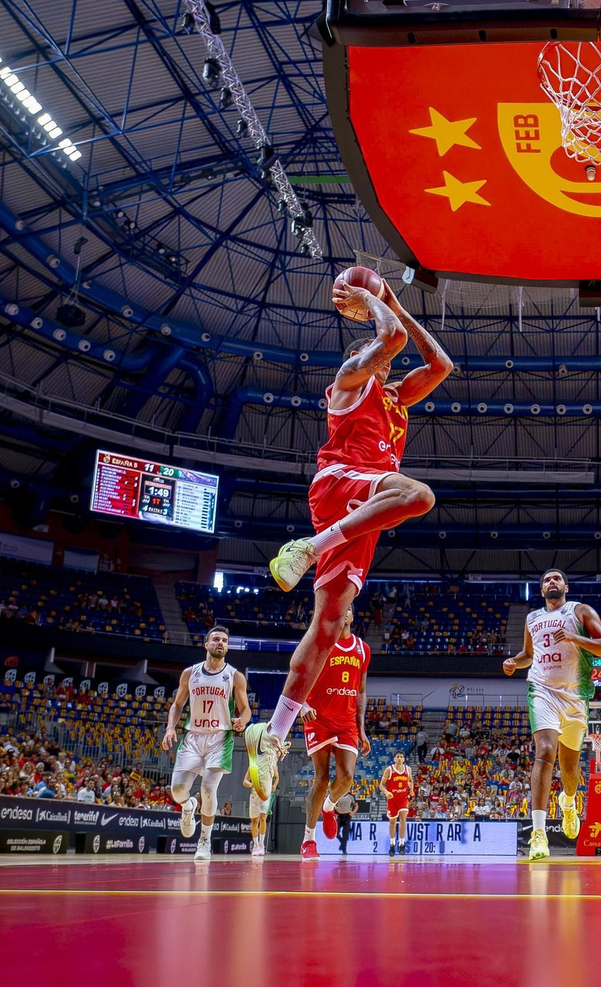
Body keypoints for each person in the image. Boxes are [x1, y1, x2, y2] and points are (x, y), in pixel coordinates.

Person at [255, 275, 453, 776]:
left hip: (364, 506)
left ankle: (273, 739)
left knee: (325, 626)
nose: (387, 360)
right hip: (342, 482)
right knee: (418, 495)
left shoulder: (396, 399)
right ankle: (308, 546)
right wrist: (371, 301)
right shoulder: (348, 381)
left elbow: (441, 364)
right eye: (377, 353)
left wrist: (395, 302)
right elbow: (393, 340)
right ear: (362, 354)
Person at [501, 568, 601, 860]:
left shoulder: (580, 611)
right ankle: (538, 835)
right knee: (545, 751)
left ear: (565, 586)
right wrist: (515, 661)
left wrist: (575, 639)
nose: (551, 582)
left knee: (569, 769)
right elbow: (530, 654)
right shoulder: (532, 618)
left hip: (575, 695)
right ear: (541, 590)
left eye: (556, 579)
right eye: (546, 580)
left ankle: (568, 802)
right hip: (542, 690)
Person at [160, 626, 250, 864]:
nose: (220, 643)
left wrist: (242, 721)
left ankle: (204, 841)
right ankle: (188, 806)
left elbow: (246, 709)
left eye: (224, 640)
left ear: (228, 646)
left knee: (209, 789)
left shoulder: (235, 676)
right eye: (216, 639)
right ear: (206, 645)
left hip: (220, 738)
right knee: (177, 790)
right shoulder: (190, 674)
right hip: (192, 737)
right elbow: (177, 705)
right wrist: (170, 727)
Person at [296, 609, 372, 861]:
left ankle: (329, 807)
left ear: (352, 616)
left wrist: (361, 727)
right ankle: (308, 839)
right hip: (318, 718)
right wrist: (303, 705)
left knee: (347, 777)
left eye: (350, 608)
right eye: (342, 608)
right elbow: (301, 676)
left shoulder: (362, 649)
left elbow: (361, 691)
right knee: (321, 778)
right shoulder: (320, 643)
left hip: (347, 721)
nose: (345, 611)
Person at [243, 724, 280, 858]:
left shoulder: (272, 763)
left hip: (266, 793)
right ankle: (255, 843)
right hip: (254, 795)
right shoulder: (253, 764)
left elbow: (277, 777)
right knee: (254, 821)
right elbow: (245, 781)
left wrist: (274, 785)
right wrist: (252, 785)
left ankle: (262, 844)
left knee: (263, 818)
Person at [382, 753, 414, 854]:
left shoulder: (408, 769)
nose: (399, 758)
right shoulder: (389, 770)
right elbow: (381, 785)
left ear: (404, 759)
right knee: (392, 822)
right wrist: (386, 792)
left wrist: (411, 789)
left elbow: (411, 781)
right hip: (392, 799)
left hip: (403, 798)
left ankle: (401, 844)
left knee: (403, 819)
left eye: (401, 757)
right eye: (397, 757)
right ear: (394, 759)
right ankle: (392, 844)